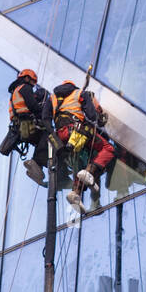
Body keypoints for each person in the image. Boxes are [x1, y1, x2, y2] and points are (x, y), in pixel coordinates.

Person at [52, 80, 116, 214]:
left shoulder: (55, 99)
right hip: (79, 133)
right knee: (108, 149)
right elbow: (94, 116)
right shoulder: (82, 94)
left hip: (62, 137)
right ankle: (90, 172)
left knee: (79, 164)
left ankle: (75, 193)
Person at [6, 68, 53, 185]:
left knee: (40, 141)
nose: (33, 86)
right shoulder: (25, 88)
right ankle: (36, 163)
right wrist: (45, 113)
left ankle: (37, 169)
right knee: (47, 135)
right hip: (26, 124)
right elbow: (33, 106)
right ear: (27, 79)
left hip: (19, 128)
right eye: (32, 82)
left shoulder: (15, 92)